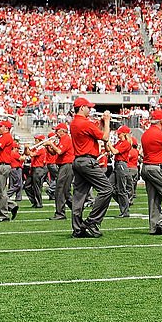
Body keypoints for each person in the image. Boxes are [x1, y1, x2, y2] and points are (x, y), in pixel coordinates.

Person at [68, 97, 113, 239]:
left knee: (79, 196)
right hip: (88, 161)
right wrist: (107, 122)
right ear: (82, 108)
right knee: (107, 189)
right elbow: (105, 137)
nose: (90, 109)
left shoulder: (75, 122)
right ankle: (92, 222)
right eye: (88, 107)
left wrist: (99, 124)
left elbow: (92, 134)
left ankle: (77, 229)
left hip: (78, 161)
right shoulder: (85, 123)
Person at [48, 123, 74, 220]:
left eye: (57, 130)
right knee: (65, 191)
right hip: (63, 166)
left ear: (63, 131)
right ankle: (76, 209)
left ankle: (60, 213)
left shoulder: (66, 139)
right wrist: (48, 146)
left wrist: (51, 144)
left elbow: (59, 151)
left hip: (67, 165)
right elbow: (54, 152)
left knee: (60, 190)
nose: (55, 133)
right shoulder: (62, 140)